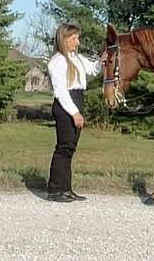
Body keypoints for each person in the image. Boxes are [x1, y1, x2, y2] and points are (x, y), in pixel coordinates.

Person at [46, 23, 105, 202]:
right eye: (74, 38)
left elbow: (93, 70)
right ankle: (55, 190)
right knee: (64, 147)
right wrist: (74, 113)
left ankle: (66, 188)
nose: (77, 42)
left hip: (78, 98)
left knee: (70, 148)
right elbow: (61, 91)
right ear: (64, 39)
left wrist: (103, 60)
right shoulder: (57, 61)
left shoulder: (77, 58)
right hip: (66, 105)